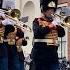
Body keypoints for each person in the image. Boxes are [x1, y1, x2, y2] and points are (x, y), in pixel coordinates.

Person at [31, 0, 65, 70]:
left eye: (53, 10)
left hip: (53, 55)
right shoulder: (37, 21)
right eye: (49, 10)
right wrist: (51, 25)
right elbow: (38, 33)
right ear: (44, 11)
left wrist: (57, 26)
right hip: (40, 55)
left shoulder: (55, 23)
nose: (51, 12)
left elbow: (62, 34)